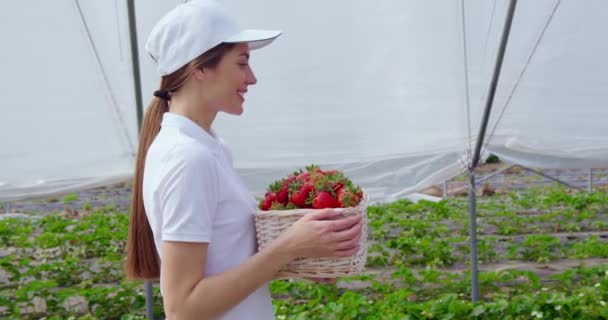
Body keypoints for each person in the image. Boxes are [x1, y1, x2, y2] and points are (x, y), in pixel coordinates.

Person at [125, 1, 363, 319]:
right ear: (199, 67)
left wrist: (299, 257)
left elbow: (226, 260)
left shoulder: (210, 148)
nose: (251, 78)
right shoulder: (188, 159)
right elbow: (183, 308)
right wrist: (287, 247)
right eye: (242, 63)